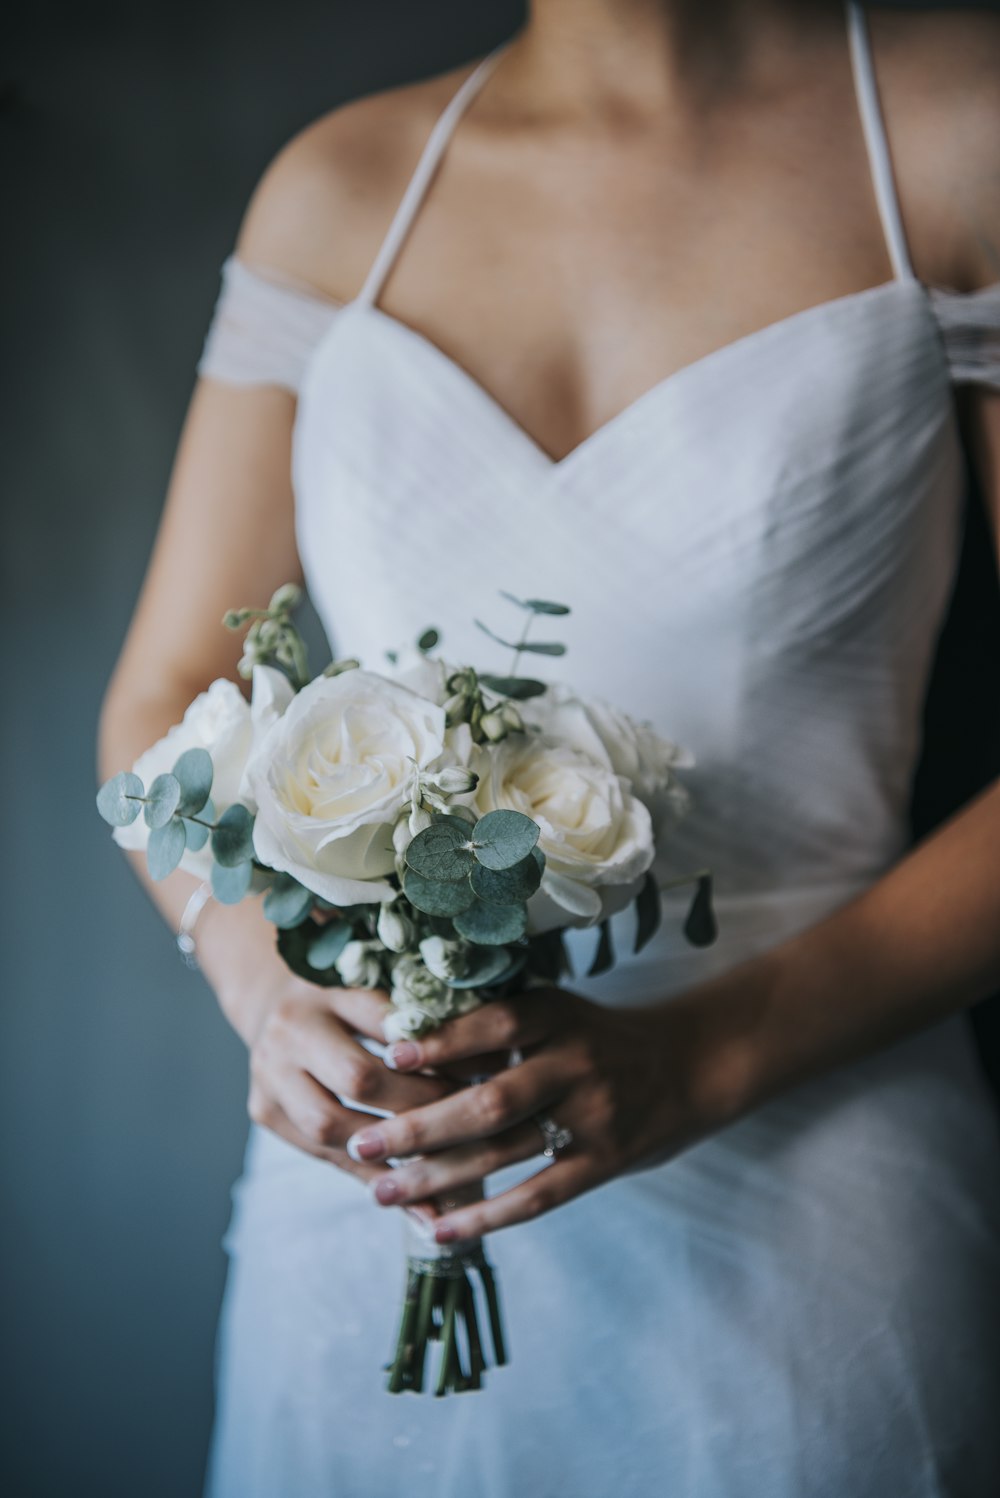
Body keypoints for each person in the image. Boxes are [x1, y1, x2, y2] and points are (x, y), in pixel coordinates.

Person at [97, 1, 1000, 1493]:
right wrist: (266, 985)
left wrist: (706, 1052)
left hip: (817, 1211)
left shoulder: (955, 133)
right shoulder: (340, 190)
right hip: (378, 1194)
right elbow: (166, 691)